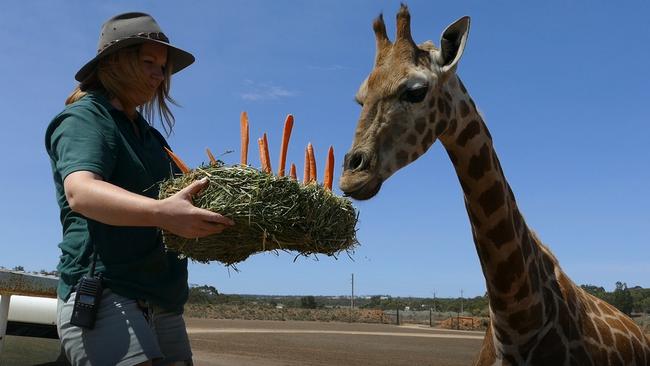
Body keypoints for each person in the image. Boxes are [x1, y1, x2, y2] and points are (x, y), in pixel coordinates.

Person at [44, 12, 233, 365]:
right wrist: (164, 214)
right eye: (149, 62)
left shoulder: (150, 137)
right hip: (106, 293)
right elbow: (81, 192)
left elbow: (175, 211)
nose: (159, 75)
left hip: (163, 300)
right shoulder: (86, 118)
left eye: (163, 68)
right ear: (114, 63)